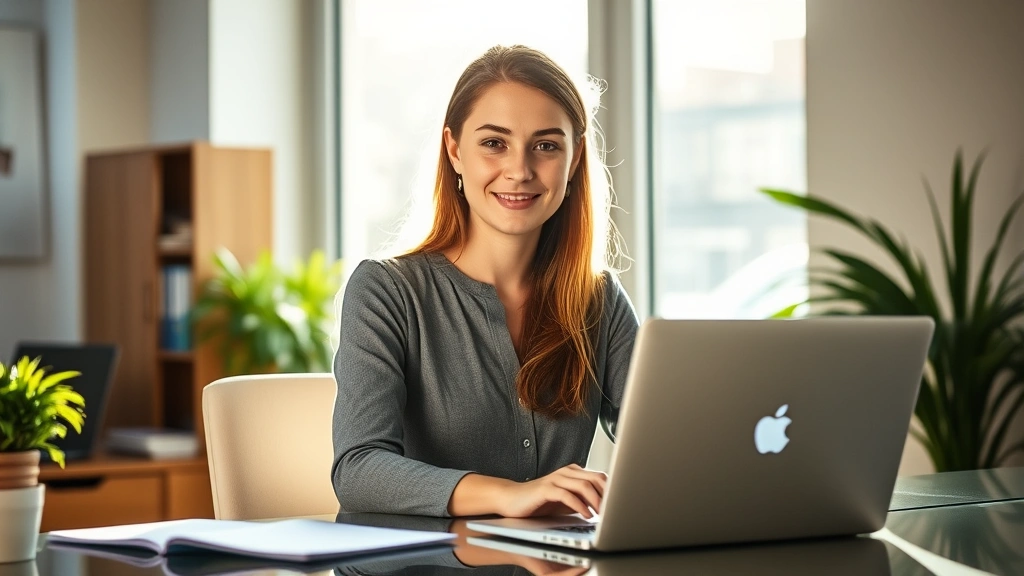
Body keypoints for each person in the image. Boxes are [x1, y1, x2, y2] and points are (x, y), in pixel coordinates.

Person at [332, 45, 639, 519]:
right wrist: (510, 495)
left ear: (575, 160)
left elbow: (662, 439)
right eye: (494, 143)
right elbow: (358, 468)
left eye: (546, 145)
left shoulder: (598, 300)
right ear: (454, 151)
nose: (520, 170)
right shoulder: (387, 291)